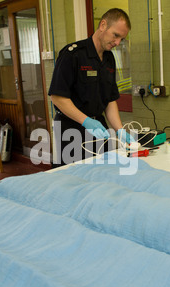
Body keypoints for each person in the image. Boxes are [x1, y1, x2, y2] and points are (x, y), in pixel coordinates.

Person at [49, 8, 134, 167]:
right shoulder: (73, 54)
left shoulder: (109, 59)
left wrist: (119, 129)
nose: (117, 43)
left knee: (104, 174)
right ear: (103, 25)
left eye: (121, 39)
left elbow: (110, 100)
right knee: (72, 181)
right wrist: (85, 121)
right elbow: (58, 97)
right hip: (71, 129)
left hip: (99, 129)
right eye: (115, 35)